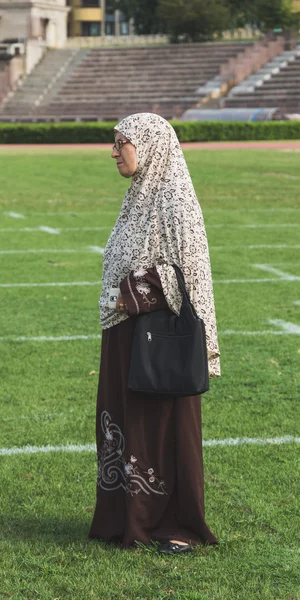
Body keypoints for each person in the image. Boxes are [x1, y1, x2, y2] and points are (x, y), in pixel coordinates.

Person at [89, 113, 220, 555]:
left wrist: (134, 293)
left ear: (148, 145)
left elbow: (192, 278)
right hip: (126, 335)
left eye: (121, 143)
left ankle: (175, 524)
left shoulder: (175, 202)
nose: (113, 152)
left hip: (161, 340)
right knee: (126, 425)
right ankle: (126, 516)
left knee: (164, 427)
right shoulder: (140, 195)